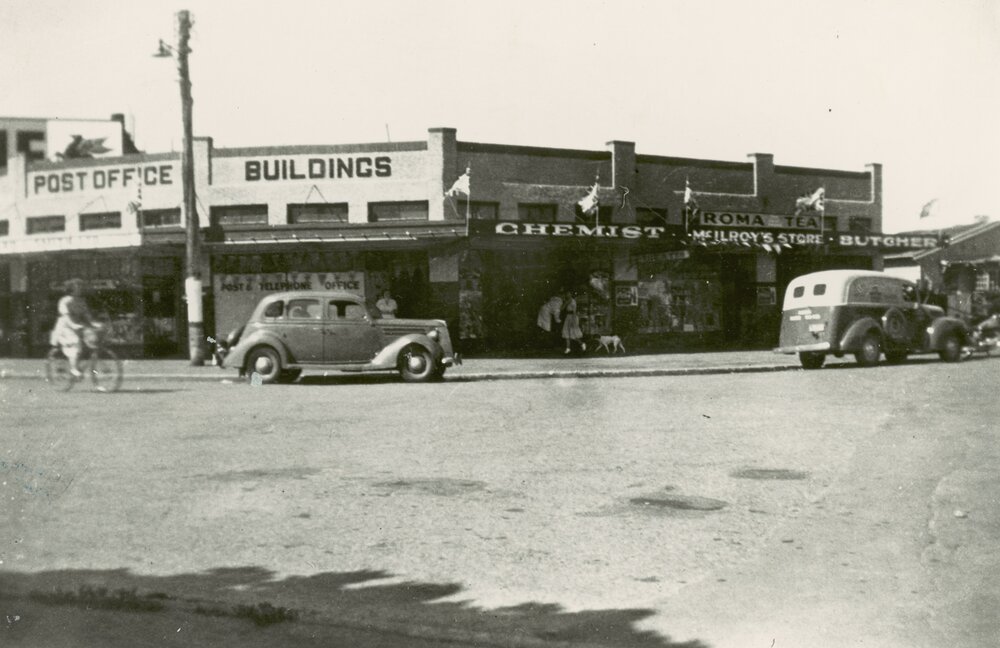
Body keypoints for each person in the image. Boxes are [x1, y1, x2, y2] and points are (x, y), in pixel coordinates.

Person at [49, 279, 93, 377]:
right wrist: (73, 325)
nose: (80, 288)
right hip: (65, 327)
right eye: (77, 286)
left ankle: (78, 364)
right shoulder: (65, 301)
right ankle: (73, 369)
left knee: (89, 341)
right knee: (75, 342)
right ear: (71, 289)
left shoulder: (81, 301)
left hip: (77, 326)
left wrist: (93, 323)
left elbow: (87, 315)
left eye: (81, 286)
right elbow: (66, 316)